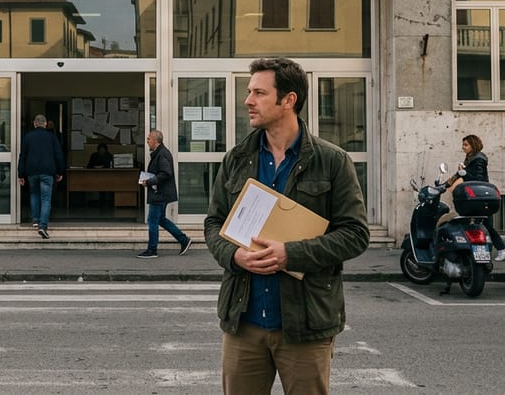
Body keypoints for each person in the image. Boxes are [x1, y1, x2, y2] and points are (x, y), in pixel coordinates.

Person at [204, 57, 369, 394]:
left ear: (288, 100)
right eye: (249, 92)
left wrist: (289, 255)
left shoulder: (332, 161)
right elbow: (213, 224)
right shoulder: (236, 159)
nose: (248, 100)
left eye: (259, 93)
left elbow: (355, 234)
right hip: (243, 321)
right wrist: (235, 256)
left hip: (306, 325)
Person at [136, 130, 191, 259]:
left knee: (152, 221)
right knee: (160, 219)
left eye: (149, 139)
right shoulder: (159, 153)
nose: (147, 141)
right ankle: (183, 240)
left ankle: (152, 250)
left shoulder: (162, 154)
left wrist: (149, 182)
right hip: (161, 193)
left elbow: (166, 173)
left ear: (155, 141)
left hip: (159, 194)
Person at [458, 134, 505, 262]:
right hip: (477, 196)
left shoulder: (478, 159)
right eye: (463, 144)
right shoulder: (471, 158)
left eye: (466, 145)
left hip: (480, 196)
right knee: (482, 224)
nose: (463, 147)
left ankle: (501, 248)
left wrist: (464, 172)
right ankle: (491, 250)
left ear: (473, 145)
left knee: (484, 224)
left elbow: (479, 178)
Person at [18, 114, 64, 239]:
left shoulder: (28, 137)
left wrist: (20, 174)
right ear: (45, 124)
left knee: (34, 194)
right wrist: (60, 171)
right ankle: (43, 226)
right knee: (46, 198)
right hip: (47, 171)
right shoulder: (51, 137)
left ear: (34, 123)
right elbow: (58, 155)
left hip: (31, 171)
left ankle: (36, 219)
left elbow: (23, 156)